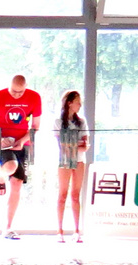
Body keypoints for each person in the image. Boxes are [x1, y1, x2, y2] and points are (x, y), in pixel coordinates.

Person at [0, 74, 42, 240]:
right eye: (14, 91)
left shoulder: (34, 97)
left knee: (17, 184)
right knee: (10, 166)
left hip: (22, 142)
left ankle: (8, 228)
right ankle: (0, 175)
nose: (17, 95)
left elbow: (36, 126)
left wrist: (23, 140)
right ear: (9, 86)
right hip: (2, 141)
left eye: (20, 92)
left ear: (25, 88)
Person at [56, 90, 88, 244]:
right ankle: (59, 231)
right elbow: (61, 146)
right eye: (77, 101)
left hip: (79, 160)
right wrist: (75, 144)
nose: (80, 104)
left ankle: (76, 231)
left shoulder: (81, 122)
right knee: (62, 194)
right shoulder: (57, 121)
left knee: (75, 195)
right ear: (69, 103)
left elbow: (85, 145)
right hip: (63, 161)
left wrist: (71, 144)